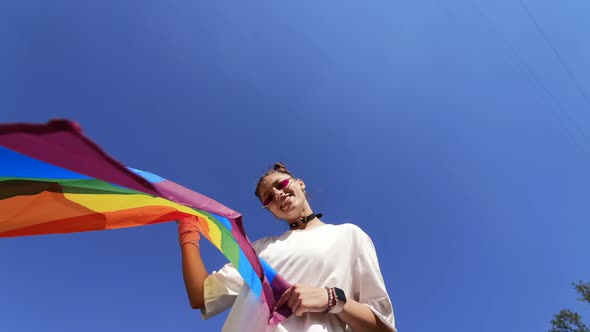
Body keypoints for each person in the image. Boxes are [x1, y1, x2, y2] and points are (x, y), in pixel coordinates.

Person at [178, 163, 396, 331]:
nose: (278, 194)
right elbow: (201, 296)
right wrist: (188, 230)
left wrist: (333, 299)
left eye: (281, 185)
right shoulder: (259, 250)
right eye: (269, 198)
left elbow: (382, 328)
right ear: (270, 211)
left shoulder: (349, 235)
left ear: (299, 183)